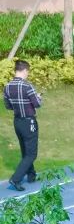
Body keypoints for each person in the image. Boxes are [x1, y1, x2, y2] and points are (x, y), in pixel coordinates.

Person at [4, 59, 42, 192]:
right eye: (28, 72)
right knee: (31, 154)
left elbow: (8, 106)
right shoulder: (27, 86)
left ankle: (31, 175)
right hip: (29, 121)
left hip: (17, 121)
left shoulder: (7, 86)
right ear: (25, 70)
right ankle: (15, 179)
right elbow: (37, 104)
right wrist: (38, 97)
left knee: (25, 150)